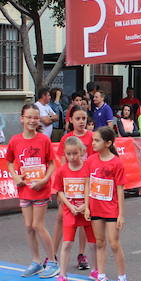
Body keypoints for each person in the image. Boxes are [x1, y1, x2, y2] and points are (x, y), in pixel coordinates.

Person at [6, 104, 58, 278]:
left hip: (40, 189)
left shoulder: (43, 139)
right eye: (29, 117)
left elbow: (52, 163)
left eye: (35, 117)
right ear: (22, 118)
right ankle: (36, 261)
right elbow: (10, 162)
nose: (32, 120)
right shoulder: (15, 140)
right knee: (28, 226)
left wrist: (44, 180)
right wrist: (15, 176)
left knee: (38, 225)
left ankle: (52, 261)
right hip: (24, 189)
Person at [49, 136, 96, 281]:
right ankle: (62, 276)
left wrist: (85, 205)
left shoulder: (87, 168)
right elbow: (59, 191)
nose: (71, 157)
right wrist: (69, 205)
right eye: (68, 154)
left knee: (93, 244)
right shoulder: (62, 170)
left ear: (82, 152)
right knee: (67, 244)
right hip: (70, 211)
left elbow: (92, 188)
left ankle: (96, 271)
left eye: (75, 153)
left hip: (86, 211)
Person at [85, 126, 128, 281]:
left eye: (97, 140)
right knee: (100, 243)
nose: (93, 143)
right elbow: (88, 183)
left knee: (114, 244)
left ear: (108, 143)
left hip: (111, 210)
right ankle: (101, 278)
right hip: (95, 208)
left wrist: (121, 214)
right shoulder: (90, 160)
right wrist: (87, 206)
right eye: (93, 139)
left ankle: (122, 280)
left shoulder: (116, 162)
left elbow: (120, 189)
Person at [60, 107, 94, 269]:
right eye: (78, 118)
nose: (81, 121)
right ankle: (56, 259)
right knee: (66, 220)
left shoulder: (92, 137)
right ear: (71, 120)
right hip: (70, 187)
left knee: (85, 222)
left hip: (86, 184)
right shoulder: (66, 138)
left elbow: (95, 160)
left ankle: (82, 254)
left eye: (84, 118)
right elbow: (62, 163)